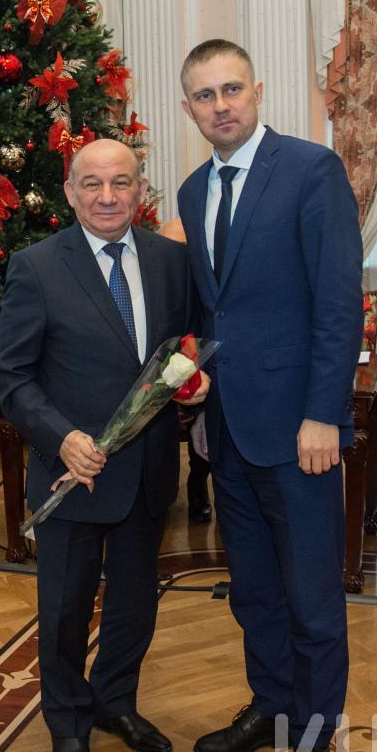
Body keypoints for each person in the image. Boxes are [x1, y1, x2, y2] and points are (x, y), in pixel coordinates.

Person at [175, 39, 363, 752]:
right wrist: (193, 396)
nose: (220, 105)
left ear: (257, 90)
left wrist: (325, 413)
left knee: (311, 598)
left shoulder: (312, 171)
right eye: (204, 95)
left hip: (299, 430)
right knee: (253, 590)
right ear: (189, 109)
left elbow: (338, 304)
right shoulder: (192, 190)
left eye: (231, 89)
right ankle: (270, 707)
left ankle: (314, 746)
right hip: (227, 431)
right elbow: (210, 311)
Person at [0, 138, 203, 752]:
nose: (107, 197)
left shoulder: (172, 261)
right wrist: (61, 438)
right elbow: (13, 377)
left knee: (135, 605)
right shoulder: (36, 267)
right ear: (70, 192)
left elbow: (188, 350)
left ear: (140, 188)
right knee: (64, 610)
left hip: (147, 473)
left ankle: (117, 703)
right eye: (92, 184)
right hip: (71, 475)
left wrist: (198, 381)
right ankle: (68, 724)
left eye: (120, 183)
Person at [156, 217, 214, 524]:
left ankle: (198, 483)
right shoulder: (152, 285)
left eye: (186, 249)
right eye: (171, 247)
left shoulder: (210, 285)